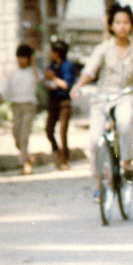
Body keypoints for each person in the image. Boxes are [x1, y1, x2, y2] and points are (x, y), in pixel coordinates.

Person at [72, 2, 133, 188]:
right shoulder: (103, 48)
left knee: (125, 123)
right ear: (112, 26)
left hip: (125, 96)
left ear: (132, 25)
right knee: (93, 140)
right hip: (102, 97)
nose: (122, 26)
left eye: (126, 22)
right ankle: (97, 182)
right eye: (118, 22)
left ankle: (127, 162)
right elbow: (90, 70)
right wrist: (78, 85)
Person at [0, 44, 41, 175]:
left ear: (29, 59)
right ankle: (26, 156)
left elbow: (39, 80)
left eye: (24, 58)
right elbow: (5, 87)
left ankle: (22, 164)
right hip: (16, 106)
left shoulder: (33, 71)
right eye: (19, 58)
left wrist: (33, 64)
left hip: (29, 106)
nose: (21, 61)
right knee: (16, 134)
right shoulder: (13, 72)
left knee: (24, 136)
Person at [43, 40, 76, 170]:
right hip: (52, 101)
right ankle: (56, 153)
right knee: (49, 130)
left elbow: (66, 85)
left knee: (62, 131)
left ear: (57, 53)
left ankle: (65, 159)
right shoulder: (51, 66)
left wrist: (53, 78)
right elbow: (46, 83)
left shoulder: (67, 66)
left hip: (64, 102)